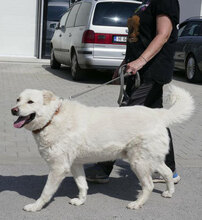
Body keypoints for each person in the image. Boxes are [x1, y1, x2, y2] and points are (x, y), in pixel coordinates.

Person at [85, 0, 181, 184]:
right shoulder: (144, 3)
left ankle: (103, 167)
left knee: (123, 119)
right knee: (156, 118)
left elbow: (164, 34)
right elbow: (138, 38)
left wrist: (141, 61)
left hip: (151, 71)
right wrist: (124, 63)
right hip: (137, 71)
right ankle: (169, 170)